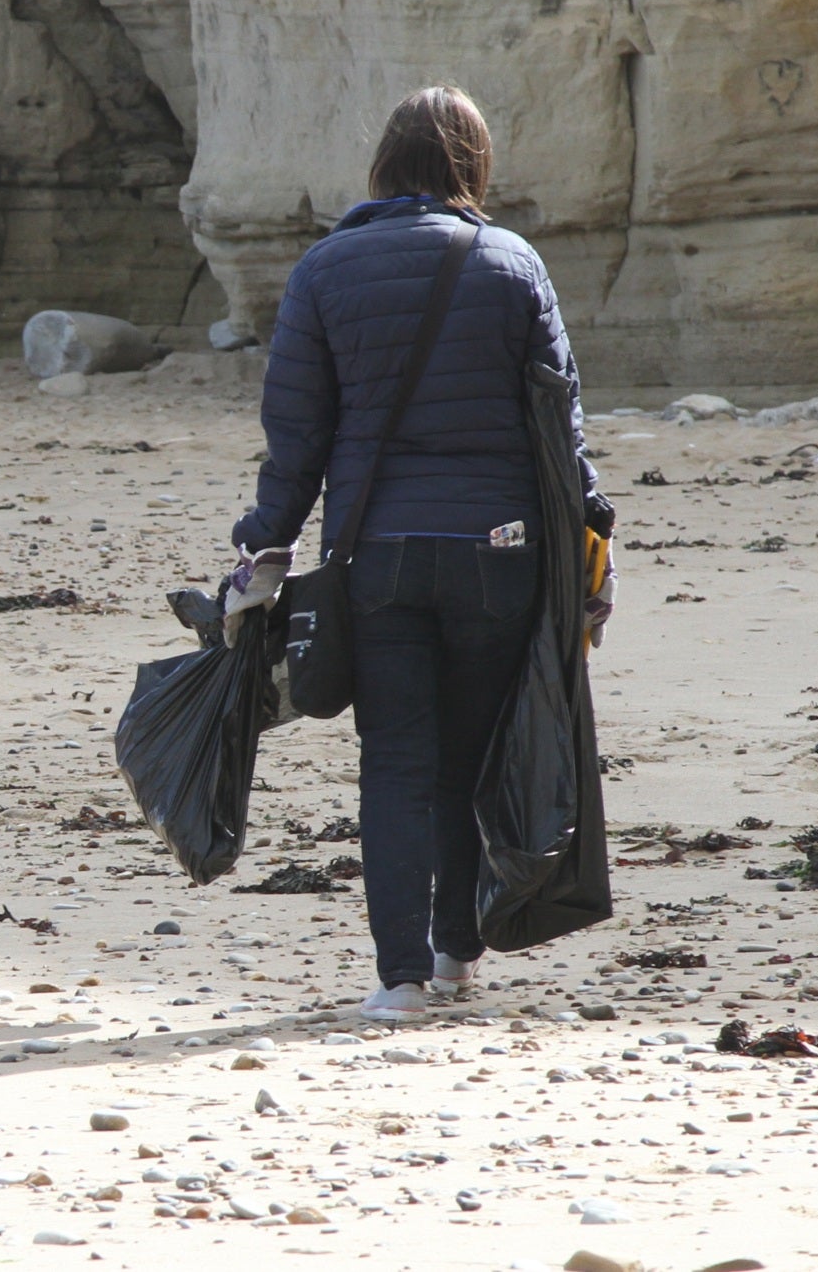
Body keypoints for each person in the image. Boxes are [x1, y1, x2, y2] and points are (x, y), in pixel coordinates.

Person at [219, 85, 613, 1024]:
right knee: (472, 758)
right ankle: (456, 959)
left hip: (380, 555)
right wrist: (592, 543)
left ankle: (398, 977)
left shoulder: (324, 272)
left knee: (394, 760)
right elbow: (561, 424)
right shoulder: (514, 263)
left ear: (383, 168)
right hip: (499, 551)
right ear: (472, 166)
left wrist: (263, 544)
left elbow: (298, 434)